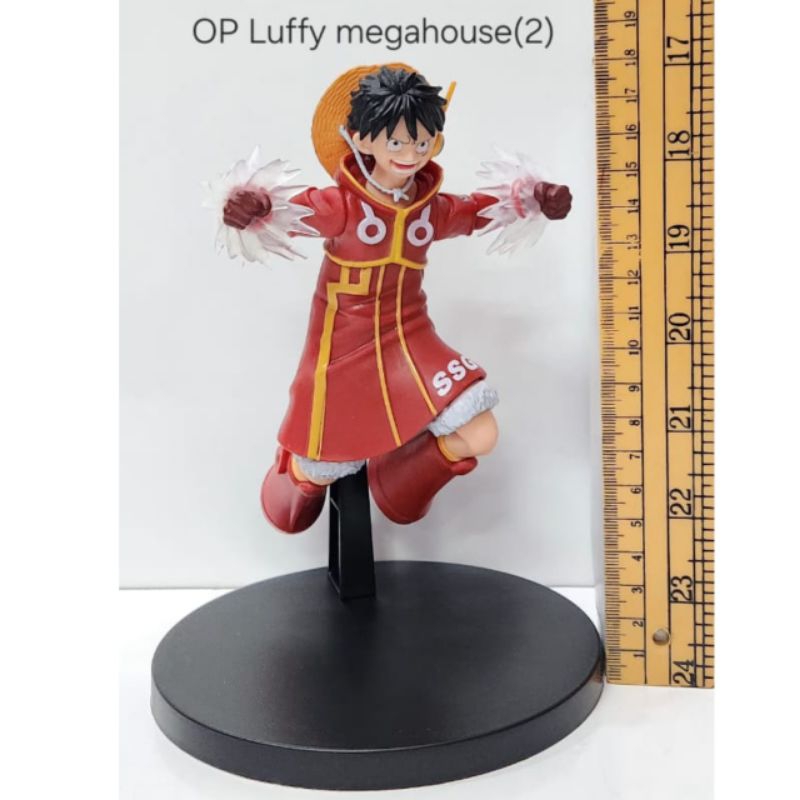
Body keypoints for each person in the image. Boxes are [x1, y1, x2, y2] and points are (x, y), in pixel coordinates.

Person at [214, 64, 572, 533]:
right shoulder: (341, 205)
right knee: (322, 464)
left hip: (411, 336)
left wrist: (535, 199)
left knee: (480, 431)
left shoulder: (429, 208)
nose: (410, 154)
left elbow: (475, 213)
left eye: (422, 142)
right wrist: (250, 207)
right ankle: (294, 479)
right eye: (397, 142)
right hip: (344, 346)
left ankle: (400, 480)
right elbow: (287, 212)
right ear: (361, 139)